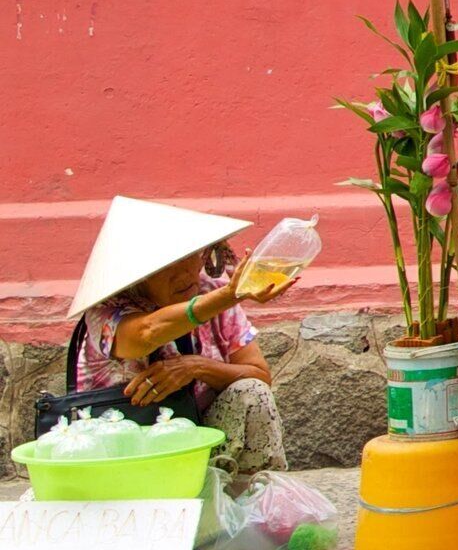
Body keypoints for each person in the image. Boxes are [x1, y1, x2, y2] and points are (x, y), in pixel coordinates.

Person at [60, 197, 297, 486]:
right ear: (139, 278)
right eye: (168, 266)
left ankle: (251, 504)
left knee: (253, 391)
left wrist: (196, 367)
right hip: (127, 448)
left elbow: (258, 373)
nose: (185, 273)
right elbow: (145, 334)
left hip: (200, 442)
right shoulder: (106, 313)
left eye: (191, 257)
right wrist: (231, 295)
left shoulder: (215, 294)